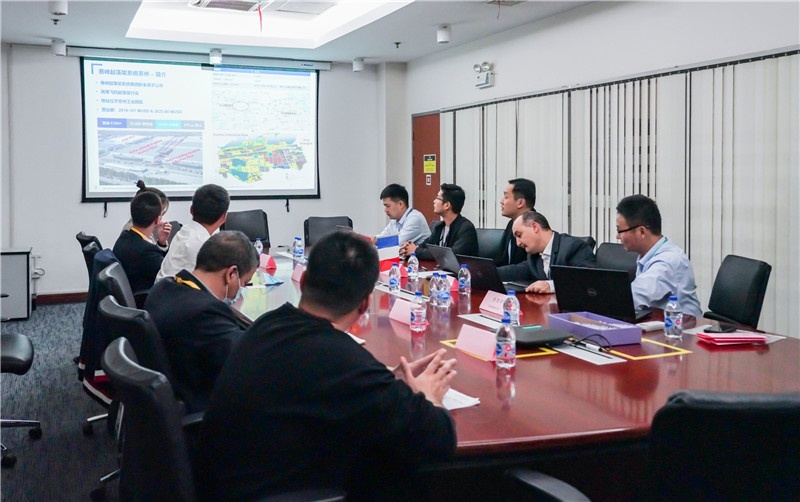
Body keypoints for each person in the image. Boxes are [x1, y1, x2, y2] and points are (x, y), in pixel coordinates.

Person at [198, 231, 457, 501]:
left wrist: (385, 380)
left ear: (304, 281)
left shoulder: (268, 324)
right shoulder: (344, 362)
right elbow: (437, 440)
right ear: (365, 303)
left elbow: (316, 380)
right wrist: (428, 394)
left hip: (224, 486)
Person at [144, 230, 257, 413]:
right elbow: (246, 361)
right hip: (200, 404)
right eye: (245, 282)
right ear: (232, 274)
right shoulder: (205, 312)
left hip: (170, 390)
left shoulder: (165, 287)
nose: (242, 288)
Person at [615, 194, 703, 318]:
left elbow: (633, 297)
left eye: (620, 231)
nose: (618, 236)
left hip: (683, 327)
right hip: (660, 322)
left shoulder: (669, 260)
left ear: (641, 231)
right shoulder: (648, 255)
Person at [498, 210, 596, 294]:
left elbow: (589, 279)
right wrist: (492, 273)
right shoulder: (534, 256)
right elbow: (517, 270)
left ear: (535, 227)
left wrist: (551, 285)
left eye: (519, 235)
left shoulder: (573, 247)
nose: (518, 243)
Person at [156, 184, 229, 280]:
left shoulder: (183, 232)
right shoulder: (206, 247)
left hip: (163, 288)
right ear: (224, 218)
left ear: (191, 209)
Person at [112, 191, 169, 298]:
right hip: (146, 299)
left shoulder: (125, 236)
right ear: (158, 219)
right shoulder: (146, 251)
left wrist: (161, 242)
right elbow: (168, 274)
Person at [400, 183, 478, 260]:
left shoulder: (466, 229)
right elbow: (425, 246)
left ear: (447, 205)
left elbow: (450, 256)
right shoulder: (439, 227)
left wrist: (416, 251)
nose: (434, 201)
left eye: (437, 198)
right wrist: (409, 247)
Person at [375, 183, 431, 250]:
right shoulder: (395, 221)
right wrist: (373, 240)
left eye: (388, 206)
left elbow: (397, 244)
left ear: (401, 204)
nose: (385, 210)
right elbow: (382, 237)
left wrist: (376, 241)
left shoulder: (415, 218)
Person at [496, 178, 536, 266]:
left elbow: (529, 267)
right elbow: (501, 260)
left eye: (506, 197)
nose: (501, 202)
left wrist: (498, 272)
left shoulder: (534, 226)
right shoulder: (512, 223)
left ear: (520, 202)